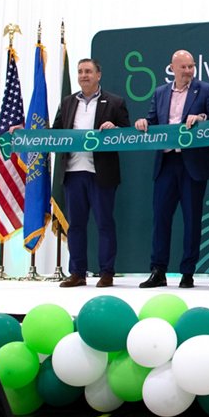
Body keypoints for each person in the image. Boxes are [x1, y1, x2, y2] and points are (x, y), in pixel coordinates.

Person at [134, 50, 209, 289]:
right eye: (184, 67)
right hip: (166, 163)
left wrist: (201, 117)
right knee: (161, 219)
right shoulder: (160, 93)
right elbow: (152, 120)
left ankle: (187, 272)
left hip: (192, 164)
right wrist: (144, 122)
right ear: (172, 68)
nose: (189, 71)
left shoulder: (206, 89)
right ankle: (158, 270)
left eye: (191, 66)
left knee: (192, 220)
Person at [53, 58, 129, 288]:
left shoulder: (115, 102)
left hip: (101, 173)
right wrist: (26, 133)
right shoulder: (67, 102)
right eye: (80, 72)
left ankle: (107, 272)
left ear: (98, 75)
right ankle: (77, 272)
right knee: (75, 225)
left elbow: (128, 135)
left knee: (104, 223)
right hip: (73, 172)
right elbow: (55, 133)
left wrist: (114, 130)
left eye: (88, 71)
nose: (83, 75)